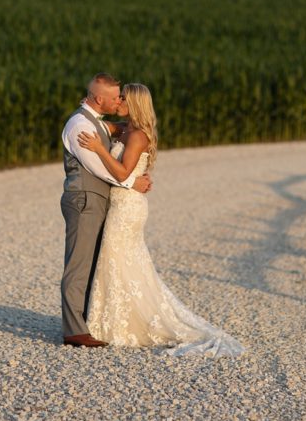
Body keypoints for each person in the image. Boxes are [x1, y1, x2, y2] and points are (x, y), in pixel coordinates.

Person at [77, 83, 244, 357]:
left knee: (119, 260)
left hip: (127, 207)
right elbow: (101, 125)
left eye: (122, 99)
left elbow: (121, 174)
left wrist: (99, 149)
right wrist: (89, 111)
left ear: (134, 103)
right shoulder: (125, 129)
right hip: (122, 202)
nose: (118, 101)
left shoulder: (138, 136)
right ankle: (111, 321)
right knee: (119, 263)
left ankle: (121, 324)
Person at [59, 73, 152, 347]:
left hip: (100, 200)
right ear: (99, 99)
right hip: (84, 199)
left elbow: (118, 127)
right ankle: (74, 330)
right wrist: (132, 181)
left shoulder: (95, 122)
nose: (118, 100)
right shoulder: (79, 125)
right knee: (79, 264)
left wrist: (129, 125)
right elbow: (97, 167)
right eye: (114, 97)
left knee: (94, 262)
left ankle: (88, 320)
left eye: (122, 97)